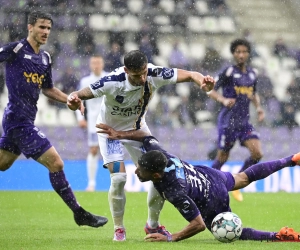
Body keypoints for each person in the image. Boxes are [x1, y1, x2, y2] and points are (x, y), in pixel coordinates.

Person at [67, 50, 215, 241]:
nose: (143, 77)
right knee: (119, 178)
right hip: (109, 132)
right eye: (138, 75)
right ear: (127, 71)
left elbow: (190, 75)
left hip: (138, 131)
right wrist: (73, 100)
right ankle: (119, 228)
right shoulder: (112, 81)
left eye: (145, 71)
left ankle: (152, 225)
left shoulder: (154, 74)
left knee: (160, 174)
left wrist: (202, 80)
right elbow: (80, 94)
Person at [97, 123, 300, 242]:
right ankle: (290, 160)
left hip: (211, 199)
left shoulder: (174, 191)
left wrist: (171, 238)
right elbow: (147, 136)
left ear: (157, 175)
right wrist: (121, 135)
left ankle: (277, 236)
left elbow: (198, 225)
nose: (136, 171)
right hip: (208, 174)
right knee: (243, 178)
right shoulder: (160, 155)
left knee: (227, 232)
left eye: (142, 170)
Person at [0, 11, 107, 228]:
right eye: (41, 27)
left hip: (24, 120)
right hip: (17, 120)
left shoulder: (45, 58)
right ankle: (79, 213)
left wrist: (70, 98)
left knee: (2, 164)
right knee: (56, 163)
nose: (45, 32)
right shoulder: (16, 50)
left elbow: (47, 88)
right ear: (30, 27)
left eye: (48, 28)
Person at [207, 39, 265, 202]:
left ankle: (237, 183)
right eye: (238, 52)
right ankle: (208, 185)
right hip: (228, 122)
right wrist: (224, 100)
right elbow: (210, 89)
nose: (241, 55)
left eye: (244, 51)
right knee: (222, 158)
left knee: (257, 153)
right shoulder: (228, 72)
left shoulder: (252, 73)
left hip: (244, 122)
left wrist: (259, 108)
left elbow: (253, 94)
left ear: (248, 53)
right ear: (233, 53)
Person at [76, 55, 108, 192]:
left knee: (113, 151)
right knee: (94, 150)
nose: (96, 65)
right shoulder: (85, 81)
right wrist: (80, 118)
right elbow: (77, 100)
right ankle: (91, 184)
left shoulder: (109, 78)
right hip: (94, 122)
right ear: (90, 65)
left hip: (110, 120)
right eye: (94, 62)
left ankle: (119, 184)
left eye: (98, 62)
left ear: (103, 64)